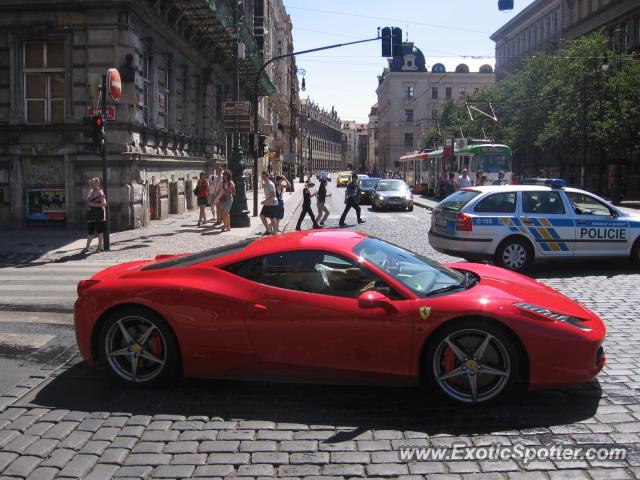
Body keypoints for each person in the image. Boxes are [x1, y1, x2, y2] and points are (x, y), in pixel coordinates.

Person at [83, 177, 107, 253]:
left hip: (99, 214)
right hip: (91, 215)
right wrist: (88, 205)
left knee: (100, 231)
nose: (92, 185)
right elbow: (87, 202)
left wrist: (92, 204)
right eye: (91, 183)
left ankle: (100, 247)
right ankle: (87, 247)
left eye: (94, 183)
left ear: (98, 184)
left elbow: (104, 204)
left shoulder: (101, 192)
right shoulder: (90, 192)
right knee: (90, 231)